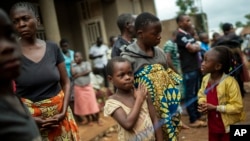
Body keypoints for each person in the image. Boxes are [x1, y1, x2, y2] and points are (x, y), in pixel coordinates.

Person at [10, 2, 79, 140]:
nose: (21, 24)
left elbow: (65, 82)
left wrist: (63, 112)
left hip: (60, 116)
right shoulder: (10, 53)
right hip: (31, 121)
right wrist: (30, 119)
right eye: (16, 21)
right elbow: (6, 94)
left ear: (38, 20)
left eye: (25, 18)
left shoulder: (52, 48)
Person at [121, 12, 182, 140]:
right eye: (155, 34)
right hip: (144, 115)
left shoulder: (159, 53)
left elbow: (168, 82)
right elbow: (124, 90)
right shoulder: (128, 58)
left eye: (160, 33)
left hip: (166, 111)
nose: (159, 37)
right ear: (140, 34)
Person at [0, 8, 42, 141]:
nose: (6, 46)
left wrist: (30, 124)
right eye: (16, 21)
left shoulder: (11, 99)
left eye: (9, 34)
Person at [104, 57, 163, 141]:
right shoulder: (112, 102)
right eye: (121, 75)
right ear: (110, 79)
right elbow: (128, 124)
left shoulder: (143, 92)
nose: (128, 77)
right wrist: (139, 100)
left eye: (130, 73)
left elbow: (155, 119)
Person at [198, 46, 245, 141]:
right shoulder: (205, 79)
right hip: (212, 126)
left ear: (218, 66)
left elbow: (238, 106)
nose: (202, 64)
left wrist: (216, 108)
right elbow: (201, 95)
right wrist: (202, 103)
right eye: (203, 60)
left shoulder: (230, 82)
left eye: (206, 61)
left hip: (228, 128)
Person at [175, 14, 206, 128]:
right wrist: (197, 45)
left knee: (197, 92)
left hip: (195, 67)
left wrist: (196, 44)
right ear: (180, 23)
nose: (190, 22)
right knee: (190, 94)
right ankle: (193, 119)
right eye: (187, 20)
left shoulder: (188, 35)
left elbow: (197, 46)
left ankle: (198, 115)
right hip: (189, 69)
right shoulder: (180, 35)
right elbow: (193, 49)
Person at [71, 51, 102, 126]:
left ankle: (98, 119)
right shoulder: (74, 66)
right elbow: (72, 74)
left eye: (78, 56)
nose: (77, 58)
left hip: (87, 87)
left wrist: (78, 75)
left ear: (81, 57)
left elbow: (88, 71)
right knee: (84, 105)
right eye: (75, 57)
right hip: (78, 88)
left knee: (93, 104)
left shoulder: (86, 63)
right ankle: (89, 120)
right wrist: (72, 65)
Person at [59, 38, 82, 122]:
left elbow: (77, 61)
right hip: (66, 78)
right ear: (61, 47)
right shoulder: (60, 54)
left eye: (66, 46)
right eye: (63, 46)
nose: (65, 48)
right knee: (70, 98)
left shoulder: (72, 53)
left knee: (78, 96)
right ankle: (76, 116)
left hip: (75, 77)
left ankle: (80, 114)